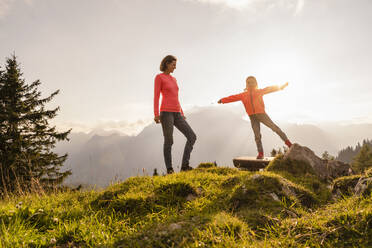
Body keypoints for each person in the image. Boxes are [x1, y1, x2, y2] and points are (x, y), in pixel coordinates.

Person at [218, 76, 292, 159]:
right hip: (252, 117)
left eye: (252, 82)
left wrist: (281, 87)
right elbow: (233, 97)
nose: (250, 84)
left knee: (275, 128)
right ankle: (260, 153)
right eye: (248, 82)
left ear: (256, 83)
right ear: (246, 84)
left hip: (262, 115)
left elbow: (270, 89)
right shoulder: (243, 95)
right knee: (257, 135)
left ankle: (289, 144)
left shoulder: (259, 92)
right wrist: (222, 100)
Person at [154, 55, 197, 174]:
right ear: (167, 64)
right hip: (166, 113)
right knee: (169, 141)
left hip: (177, 113)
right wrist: (156, 114)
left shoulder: (174, 79)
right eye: (173, 64)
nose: (175, 67)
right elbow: (156, 96)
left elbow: (176, 97)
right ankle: (169, 169)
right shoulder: (159, 77)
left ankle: (184, 166)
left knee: (192, 136)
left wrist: (181, 113)